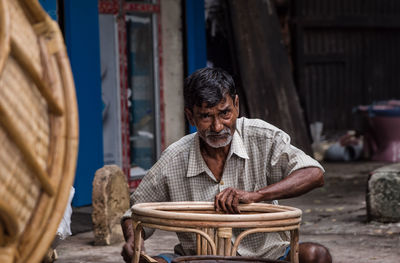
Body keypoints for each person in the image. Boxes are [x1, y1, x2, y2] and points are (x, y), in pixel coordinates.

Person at [121, 67, 332, 263]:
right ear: (190, 117)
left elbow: (314, 174)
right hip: (200, 259)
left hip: (268, 256)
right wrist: (132, 242)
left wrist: (256, 195)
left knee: (316, 255)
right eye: (206, 116)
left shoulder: (262, 138)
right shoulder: (174, 158)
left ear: (236, 106)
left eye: (225, 113)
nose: (217, 126)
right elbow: (134, 214)